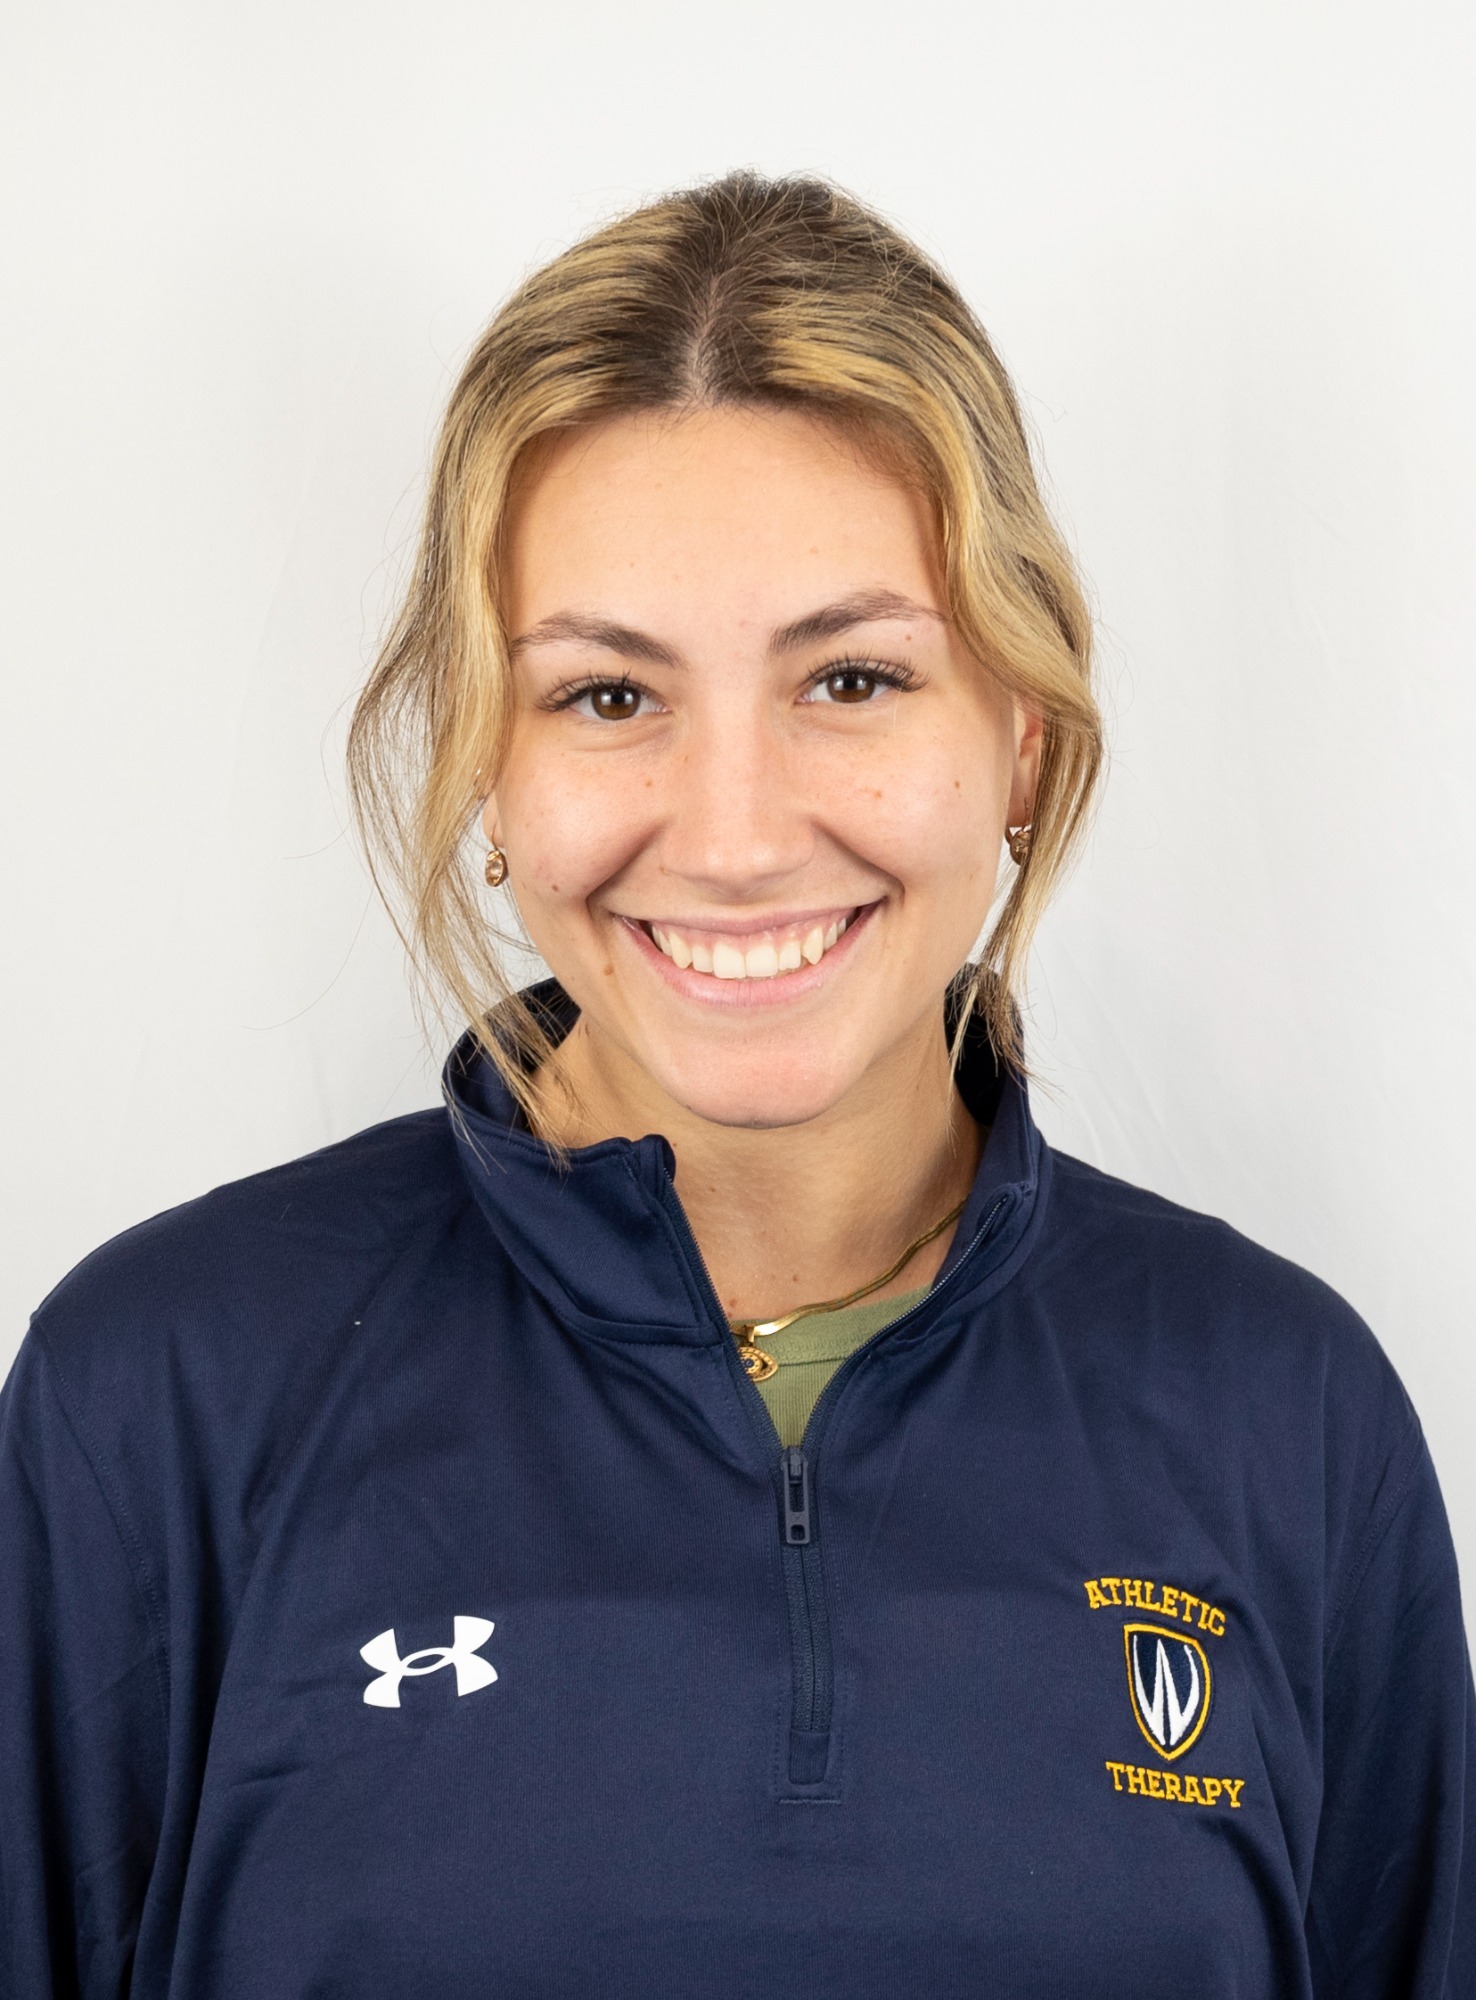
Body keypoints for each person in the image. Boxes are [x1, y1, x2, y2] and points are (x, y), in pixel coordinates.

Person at [1, 172, 1471, 2000]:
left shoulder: (1287, 1414)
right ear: (485, 765)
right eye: (609, 698)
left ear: (1020, 736)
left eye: (850, 678)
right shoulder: (159, 1399)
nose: (737, 834)